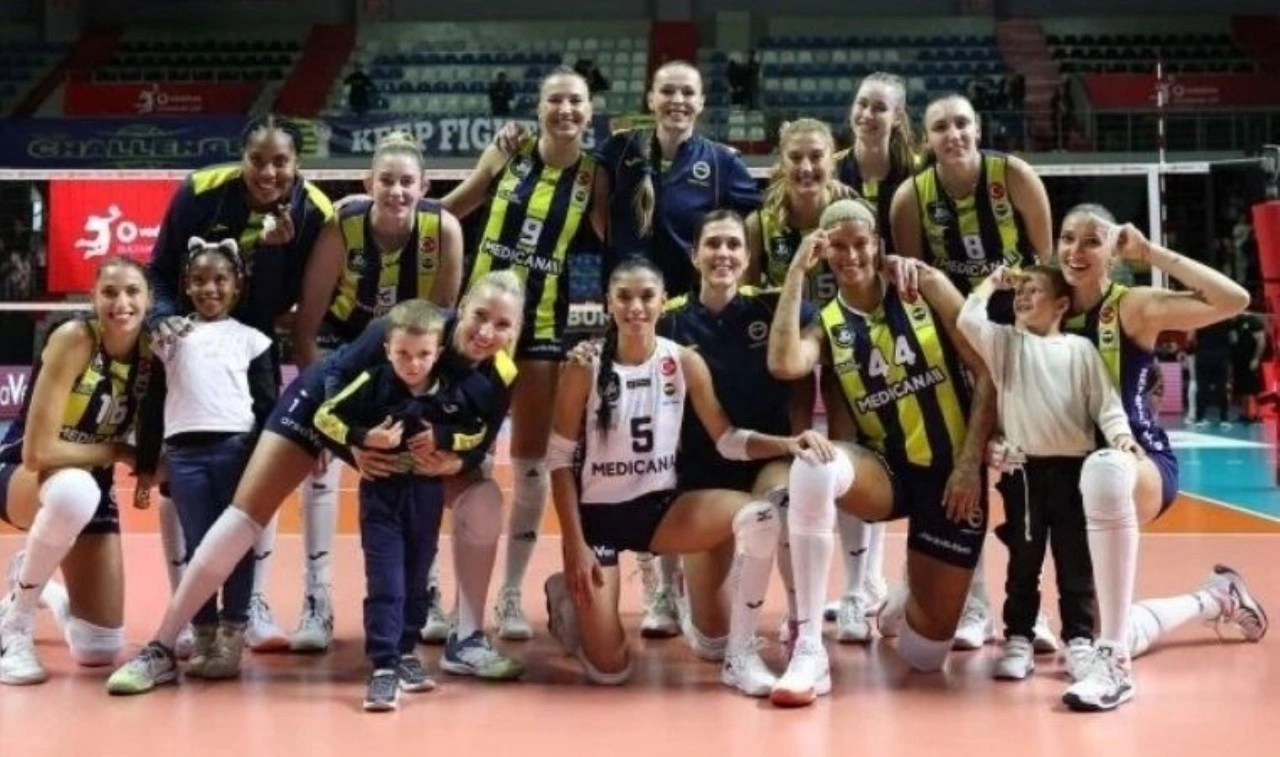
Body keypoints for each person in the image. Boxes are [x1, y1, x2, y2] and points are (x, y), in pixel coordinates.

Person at [105, 273, 526, 694]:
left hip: (400, 448)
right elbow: (337, 376)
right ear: (463, 306)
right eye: (480, 316)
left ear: (515, 330)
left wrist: (455, 461)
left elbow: (481, 444)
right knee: (244, 516)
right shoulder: (408, 324)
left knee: (484, 498)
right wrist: (349, 446)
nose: (487, 332)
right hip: (323, 409)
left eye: (503, 324)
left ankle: (467, 638)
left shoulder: (501, 374)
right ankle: (161, 647)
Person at [543, 256, 834, 696]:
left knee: (761, 515)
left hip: (661, 512)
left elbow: (727, 439)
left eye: (646, 296)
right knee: (610, 670)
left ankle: (740, 654)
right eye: (624, 297)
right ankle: (567, 599)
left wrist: (787, 443)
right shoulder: (585, 366)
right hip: (598, 521)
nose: (636, 307)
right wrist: (574, 545)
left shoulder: (682, 361)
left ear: (663, 301)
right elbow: (559, 458)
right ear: (608, 303)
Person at [766, 199, 996, 707]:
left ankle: (899, 601)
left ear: (877, 245)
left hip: (949, 476)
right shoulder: (826, 324)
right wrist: (796, 272)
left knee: (924, 654)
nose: (850, 256)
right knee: (812, 464)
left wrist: (968, 464)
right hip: (885, 471)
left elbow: (987, 371)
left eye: (860, 244)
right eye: (838, 247)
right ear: (824, 252)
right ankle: (809, 646)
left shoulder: (925, 287)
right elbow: (784, 363)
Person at [1054, 205, 1267, 712]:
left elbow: (1234, 300)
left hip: (1137, 462)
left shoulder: (1132, 306)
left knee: (1104, 469)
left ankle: (1115, 669)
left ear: (1112, 253)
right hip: (1069, 469)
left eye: (1091, 241)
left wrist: (1150, 253)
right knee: (1105, 626)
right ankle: (1216, 598)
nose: (1076, 251)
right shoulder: (1044, 304)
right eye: (1067, 238)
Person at [146, 114, 336, 653]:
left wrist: (273, 253)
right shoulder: (200, 191)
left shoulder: (314, 212)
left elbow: (281, 307)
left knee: (255, 473)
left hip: (252, 346)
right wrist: (162, 319)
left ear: (297, 164)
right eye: (257, 159)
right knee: (175, 479)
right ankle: (186, 605)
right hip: (185, 346)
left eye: (281, 161)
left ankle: (250, 603)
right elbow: (158, 270)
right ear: (241, 158)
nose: (268, 172)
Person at [288, 131, 463, 653]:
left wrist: (428, 404)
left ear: (424, 186)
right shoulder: (343, 226)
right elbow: (306, 324)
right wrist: (325, 420)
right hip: (342, 348)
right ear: (369, 183)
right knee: (319, 464)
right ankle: (316, 599)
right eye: (386, 180)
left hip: (407, 356)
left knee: (417, 460)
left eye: (407, 181)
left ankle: (426, 588)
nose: (397, 191)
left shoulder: (443, 229)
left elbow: (441, 330)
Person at [889, 92, 1053, 649]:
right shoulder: (911, 197)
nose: (953, 134)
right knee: (967, 467)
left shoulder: (1015, 177)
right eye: (940, 127)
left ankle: (1031, 607)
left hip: (1021, 345)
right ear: (926, 139)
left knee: (1026, 473)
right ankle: (974, 603)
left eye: (961, 123)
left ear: (978, 128)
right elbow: (915, 286)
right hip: (959, 349)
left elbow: (1049, 270)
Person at [441, 68, 600, 643]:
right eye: (555, 99)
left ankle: (510, 593)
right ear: (538, 107)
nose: (565, 109)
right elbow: (451, 209)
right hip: (478, 323)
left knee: (531, 463)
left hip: (541, 328)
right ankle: (455, 595)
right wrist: (388, 214)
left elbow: (617, 243)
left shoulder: (594, 175)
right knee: (464, 457)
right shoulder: (508, 151)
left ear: (590, 111)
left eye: (575, 101)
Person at [957, 264, 1136, 682]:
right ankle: (1018, 638)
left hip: (1075, 472)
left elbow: (1106, 404)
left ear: (1060, 305)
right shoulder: (1005, 344)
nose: (1022, 296)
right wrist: (993, 283)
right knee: (1024, 559)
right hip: (1023, 473)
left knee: (1075, 560)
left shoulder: (1081, 350)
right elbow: (968, 319)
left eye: (1034, 290)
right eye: (1019, 291)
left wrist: (1122, 437)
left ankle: (1079, 640)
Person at [313, 301, 489, 711]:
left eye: (423, 354)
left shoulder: (450, 391)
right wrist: (363, 438)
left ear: (438, 352)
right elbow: (324, 417)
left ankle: (406, 649)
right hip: (381, 494)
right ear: (387, 350)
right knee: (386, 580)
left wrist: (443, 439)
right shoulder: (372, 382)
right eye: (403, 354)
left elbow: (478, 431)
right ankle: (383, 665)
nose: (413, 363)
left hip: (426, 496)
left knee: (416, 578)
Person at [0, 257, 155, 685]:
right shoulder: (75, 339)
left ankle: (33, 580)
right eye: (109, 292)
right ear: (93, 298)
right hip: (24, 474)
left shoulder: (151, 354)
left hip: (91, 482)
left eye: (132, 292)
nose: (121, 303)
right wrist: (120, 450)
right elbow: (37, 451)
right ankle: (14, 627)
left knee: (98, 647)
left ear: (150, 299)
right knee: (75, 491)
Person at [135, 238, 277, 680]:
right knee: (198, 549)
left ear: (237, 285)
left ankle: (233, 634)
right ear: (185, 285)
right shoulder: (170, 338)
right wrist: (146, 463)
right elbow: (152, 402)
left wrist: (268, 464)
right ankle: (203, 634)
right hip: (184, 458)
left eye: (219, 279)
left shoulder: (253, 340)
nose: (209, 288)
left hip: (237, 452)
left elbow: (268, 406)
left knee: (235, 547)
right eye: (198, 280)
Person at [823, 72, 922, 639]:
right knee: (849, 448)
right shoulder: (830, 171)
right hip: (840, 325)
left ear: (898, 117)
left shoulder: (917, 176)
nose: (868, 114)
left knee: (901, 445)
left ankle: (895, 583)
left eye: (880, 107)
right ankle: (858, 586)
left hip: (904, 330)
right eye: (862, 104)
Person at [593, 60, 760, 298]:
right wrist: (621, 249)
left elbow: (755, 221)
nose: (678, 100)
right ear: (651, 99)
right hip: (628, 296)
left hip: (691, 299)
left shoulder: (723, 161)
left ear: (701, 102)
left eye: (688, 92)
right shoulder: (619, 148)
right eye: (667, 91)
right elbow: (597, 210)